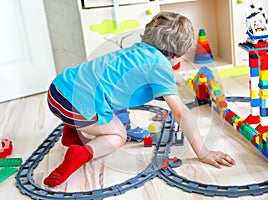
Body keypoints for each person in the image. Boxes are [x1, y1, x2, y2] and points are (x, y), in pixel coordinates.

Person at [44, 11, 235, 187]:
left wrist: (174, 79)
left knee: (104, 103)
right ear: (176, 55)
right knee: (118, 135)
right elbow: (179, 112)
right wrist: (203, 152)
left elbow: (142, 74)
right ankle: (81, 153)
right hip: (74, 105)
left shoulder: (138, 50)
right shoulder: (160, 67)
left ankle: (73, 132)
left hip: (58, 89)